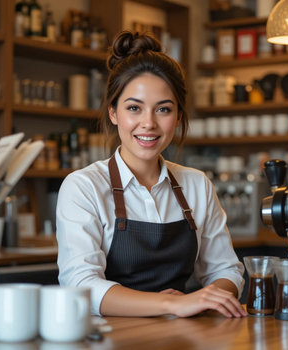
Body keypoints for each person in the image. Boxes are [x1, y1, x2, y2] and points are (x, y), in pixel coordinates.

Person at [56, 31, 246, 318]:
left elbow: (227, 270)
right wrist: (173, 304)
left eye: (163, 109)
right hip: (111, 338)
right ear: (113, 113)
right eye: (134, 108)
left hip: (182, 336)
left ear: (179, 116)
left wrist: (207, 296)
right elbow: (80, 285)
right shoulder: (83, 187)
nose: (149, 123)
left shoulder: (196, 184)